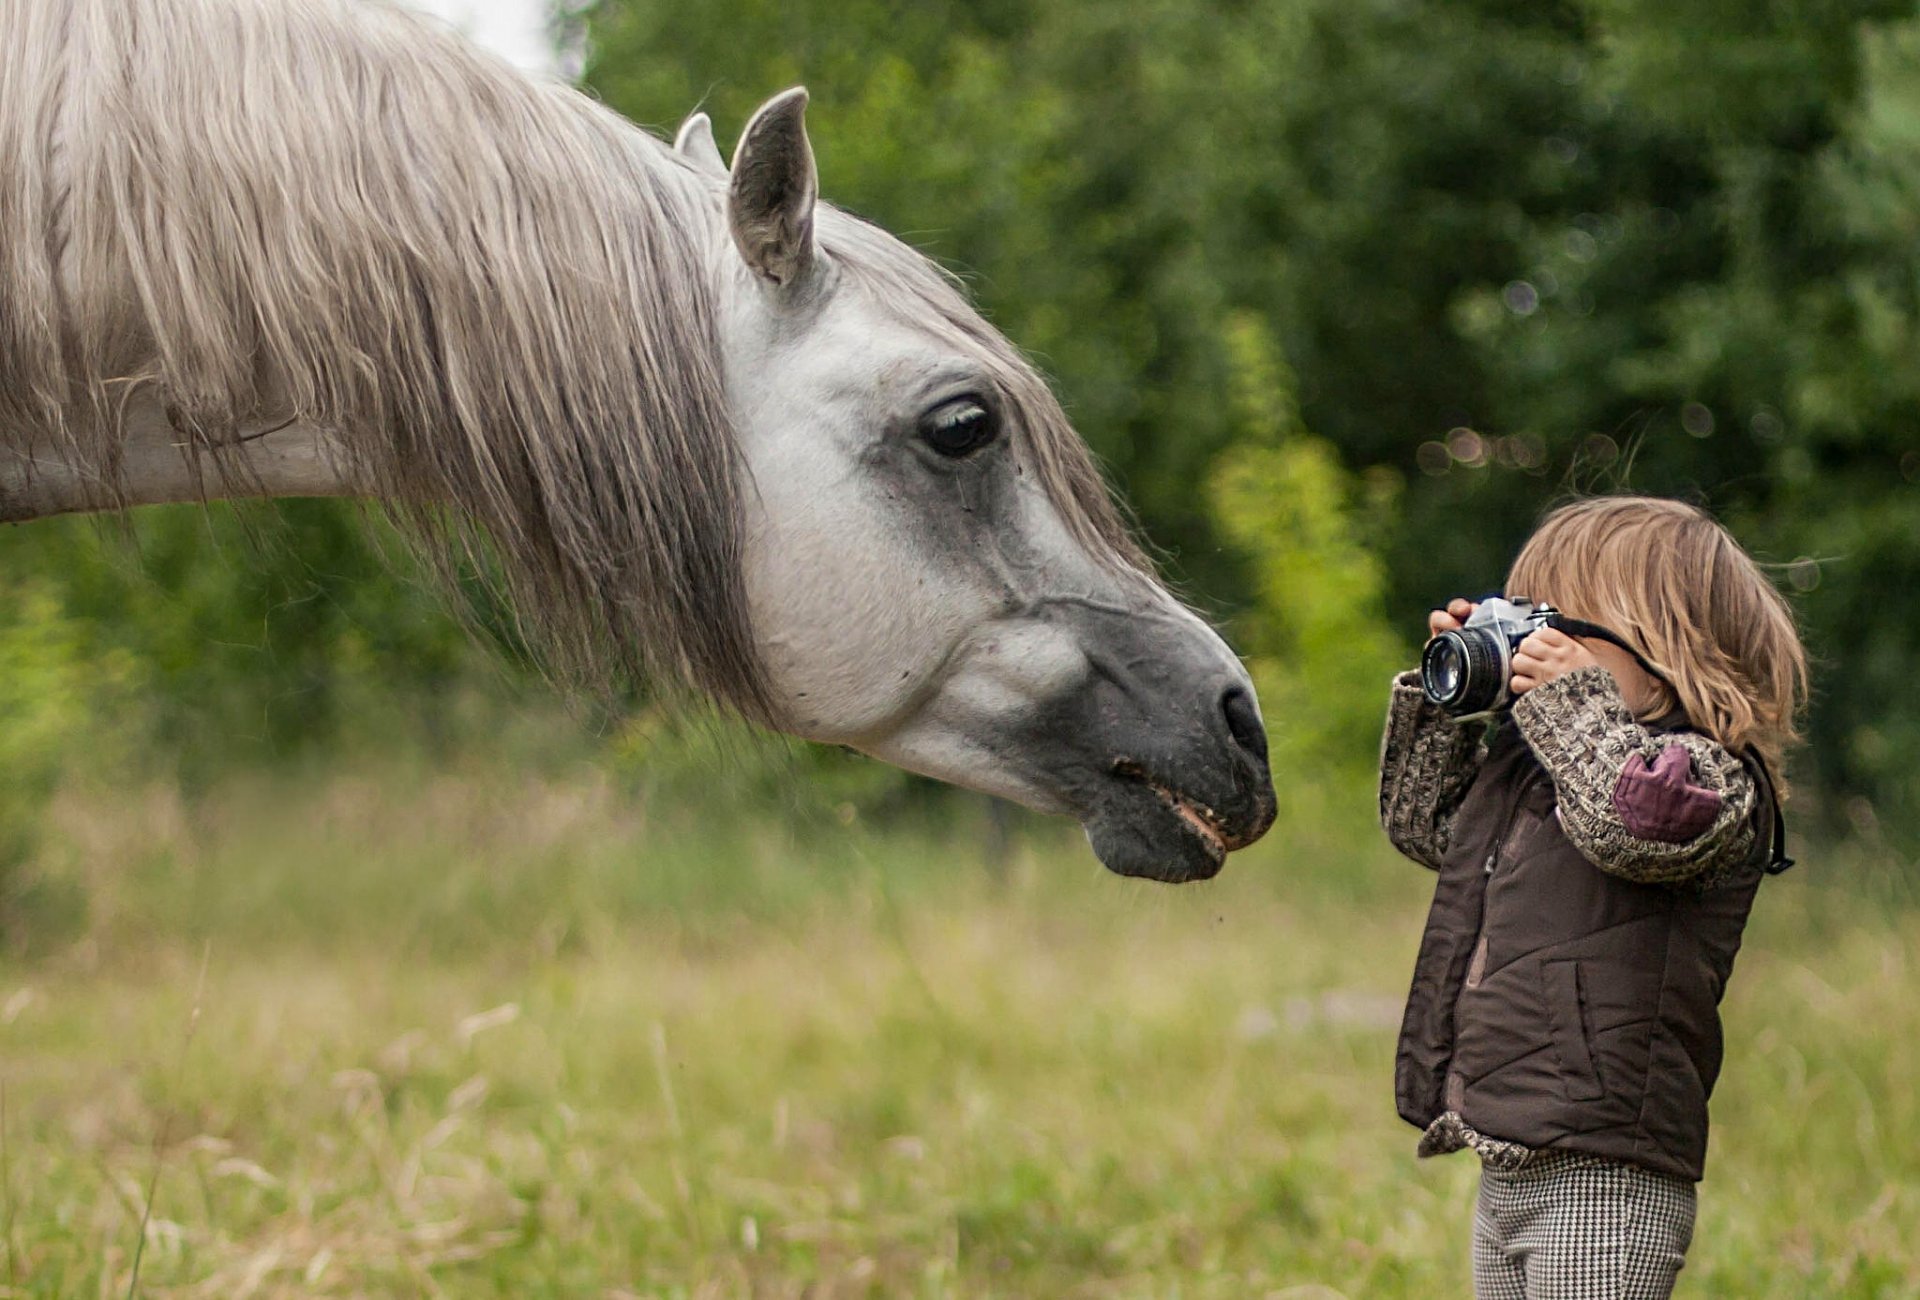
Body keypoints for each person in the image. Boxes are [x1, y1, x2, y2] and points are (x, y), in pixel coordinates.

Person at [1378, 495, 1808, 1299]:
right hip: (1510, 1146)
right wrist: (1453, 709)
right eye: (1530, 622)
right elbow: (1427, 830)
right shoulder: (1541, 771)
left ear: (1667, 641)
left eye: (1563, 624)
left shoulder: (1708, 777)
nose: (1543, 645)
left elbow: (1632, 827)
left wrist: (1572, 708)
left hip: (1609, 1170)